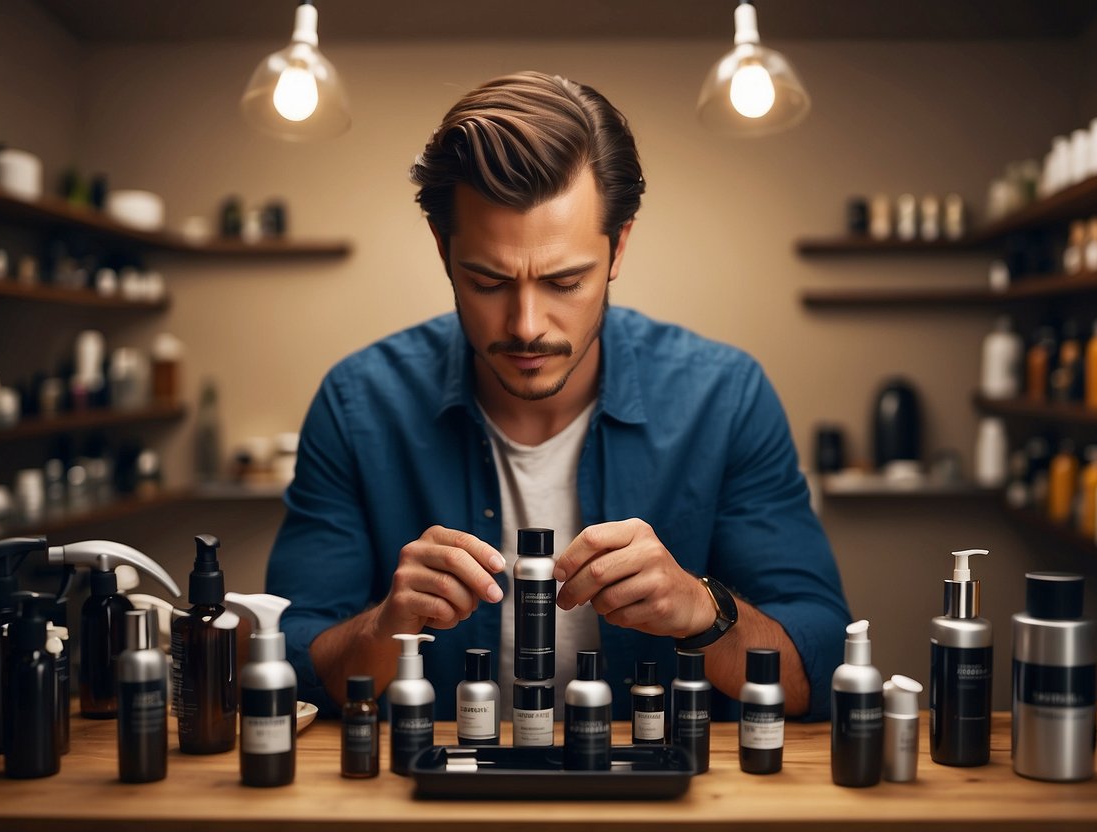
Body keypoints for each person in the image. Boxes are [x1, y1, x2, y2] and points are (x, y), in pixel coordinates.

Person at [266, 71, 850, 721]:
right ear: (442, 248)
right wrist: (383, 630)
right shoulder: (358, 404)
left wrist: (702, 611)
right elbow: (282, 663)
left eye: (565, 280)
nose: (525, 324)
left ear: (618, 246)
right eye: (487, 281)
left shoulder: (725, 396)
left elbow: (818, 667)